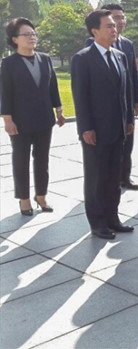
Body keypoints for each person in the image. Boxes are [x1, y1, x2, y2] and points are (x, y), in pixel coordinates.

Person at [71, 10, 134, 239]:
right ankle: (98, 222)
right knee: (96, 177)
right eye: (109, 25)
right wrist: (86, 128)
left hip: (118, 128)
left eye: (115, 25)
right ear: (94, 31)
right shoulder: (83, 58)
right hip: (95, 130)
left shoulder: (120, 56)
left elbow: (125, 91)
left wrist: (128, 120)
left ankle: (112, 217)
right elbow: (80, 96)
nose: (114, 28)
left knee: (114, 176)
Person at [1, 18, 65, 216]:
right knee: (21, 160)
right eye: (26, 34)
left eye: (33, 34)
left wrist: (59, 109)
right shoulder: (8, 64)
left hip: (44, 118)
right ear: (14, 39)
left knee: (42, 159)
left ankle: (41, 195)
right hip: (20, 121)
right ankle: (24, 199)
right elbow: (5, 93)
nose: (31, 37)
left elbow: (52, 87)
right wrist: (7, 119)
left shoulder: (45, 59)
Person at [85, 4, 138, 191]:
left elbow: (131, 75)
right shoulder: (90, 47)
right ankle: (113, 180)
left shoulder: (127, 45)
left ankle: (125, 176)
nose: (119, 23)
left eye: (122, 18)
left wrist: (136, 99)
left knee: (127, 142)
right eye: (114, 19)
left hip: (125, 104)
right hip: (104, 112)